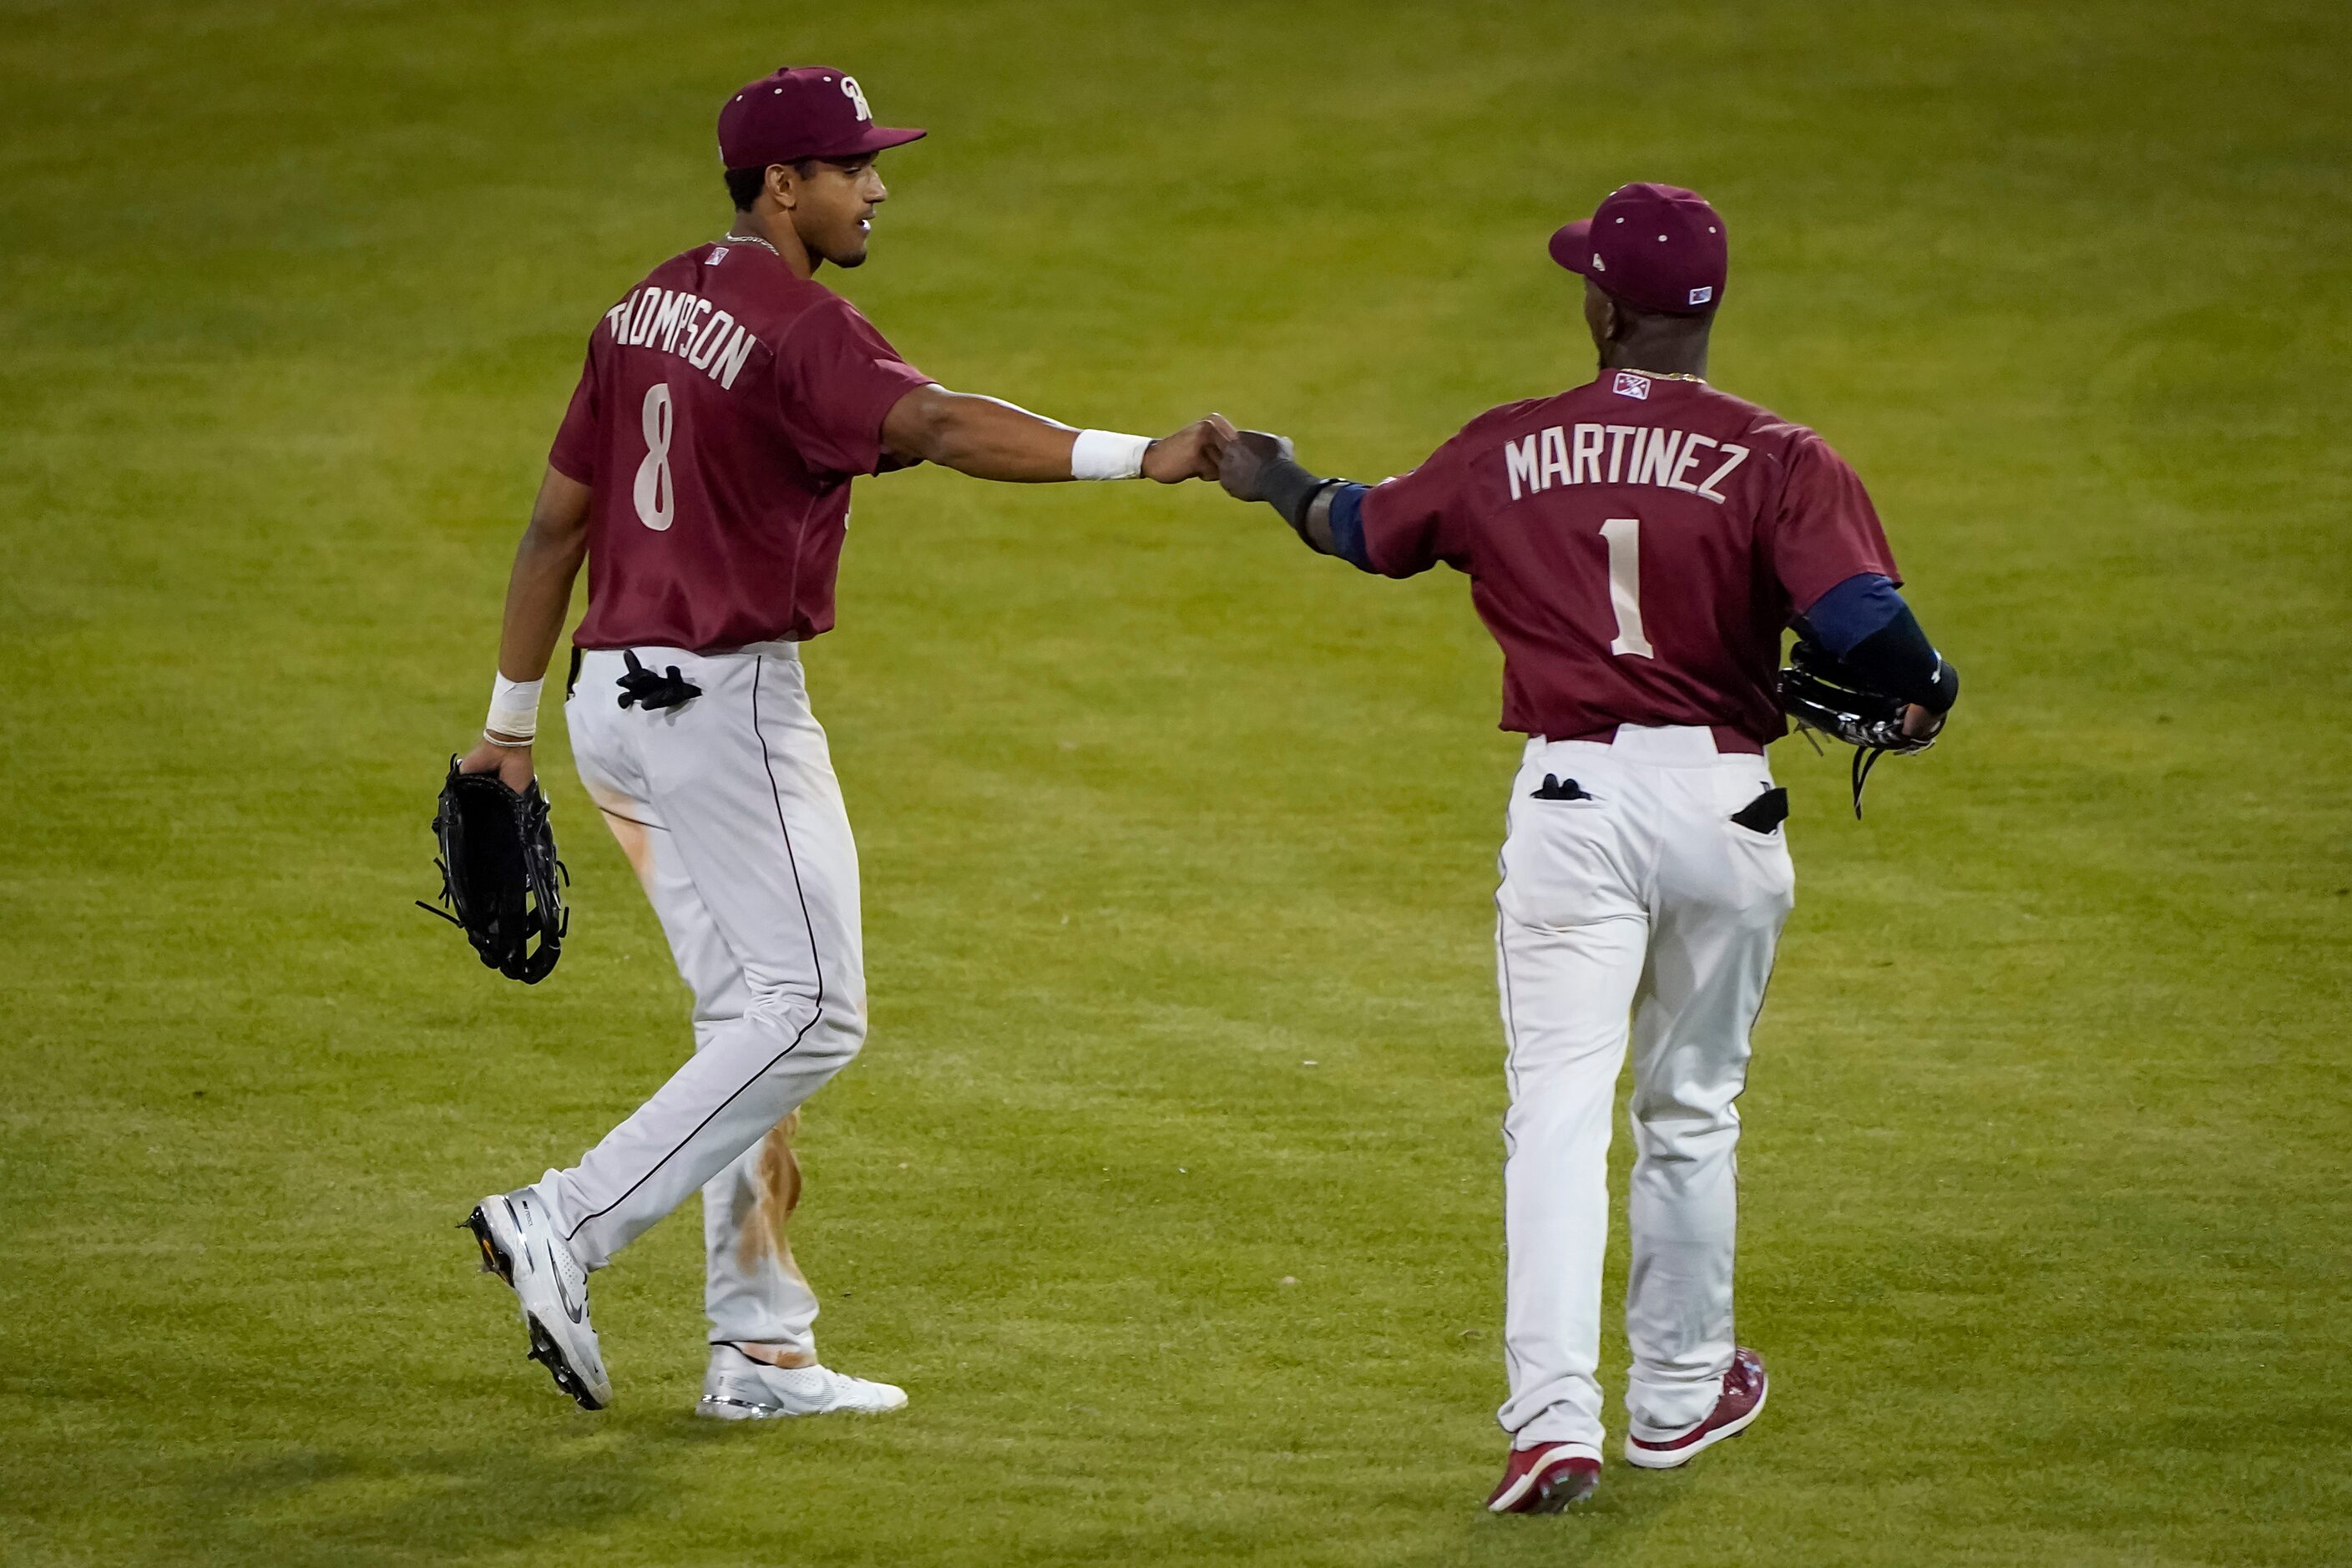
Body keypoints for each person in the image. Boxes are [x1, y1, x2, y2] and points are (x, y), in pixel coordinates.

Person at [456, 64, 1231, 1420]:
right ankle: (564, 1221)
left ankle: (759, 1347)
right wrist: (1138, 455)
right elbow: (930, 422)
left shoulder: (638, 306)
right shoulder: (796, 324)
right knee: (813, 1012)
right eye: (851, 166)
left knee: (743, 1014)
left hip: (605, 708)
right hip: (721, 709)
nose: (876, 187)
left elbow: (553, 528)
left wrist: (503, 731)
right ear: (780, 186)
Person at [1214, 183, 1958, 1511]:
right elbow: (1875, 636)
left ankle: (1552, 1419)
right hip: (1725, 810)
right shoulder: (1780, 455)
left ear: (1601, 308)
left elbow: (1364, 530)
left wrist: (1275, 478)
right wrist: (1925, 688)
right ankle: (1678, 1394)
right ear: (1706, 310)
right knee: (1690, 1106)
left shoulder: (1511, 445)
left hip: (1570, 811)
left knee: (1555, 1114)